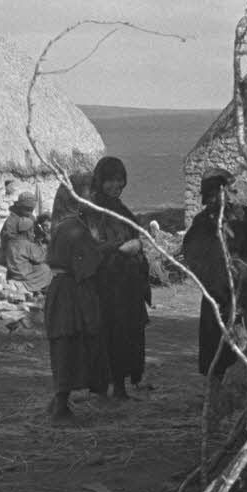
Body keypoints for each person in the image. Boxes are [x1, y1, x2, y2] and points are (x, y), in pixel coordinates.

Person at [44, 174, 142, 423]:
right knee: (68, 346)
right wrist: (118, 249)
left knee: (70, 346)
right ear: (76, 196)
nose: (94, 197)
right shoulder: (74, 229)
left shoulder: (67, 225)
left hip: (65, 290)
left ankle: (59, 402)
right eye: (89, 193)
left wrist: (108, 248)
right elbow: (87, 263)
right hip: (70, 294)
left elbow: (86, 253)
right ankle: (60, 407)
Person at [181, 169, 247, 384]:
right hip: (216, 295)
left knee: (246, 344)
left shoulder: (245, 217)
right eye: (211, 196)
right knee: (216, 346)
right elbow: (193, 255)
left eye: (220, 193)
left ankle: (246, 385)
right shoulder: (202, 223)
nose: (216, 200)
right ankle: (216, 386)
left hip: (246, 294)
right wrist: (215, 279)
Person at [89, 157, 152, 397]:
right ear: (100, 181)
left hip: (128, 285)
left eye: (120, 180)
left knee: (129, 333)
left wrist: (137, 248)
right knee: (111, 333)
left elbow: (134, 236)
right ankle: (108, 385)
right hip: (107, 285)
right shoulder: (93, 211)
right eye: (110, 180)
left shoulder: (121, 210)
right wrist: (119, 248)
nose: (116, 185)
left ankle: (122, 386)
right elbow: (90, 247)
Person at [0, 191, 51, 294]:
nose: (29, 212)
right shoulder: (11, 222)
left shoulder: (29, 219)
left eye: (31, 209)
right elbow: (39, 256)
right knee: (45, 269)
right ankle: (29, 286)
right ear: (20, 206)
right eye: (27, 209)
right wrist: (43, 245)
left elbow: (35, 235)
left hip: (21, 256)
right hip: (19, 260)